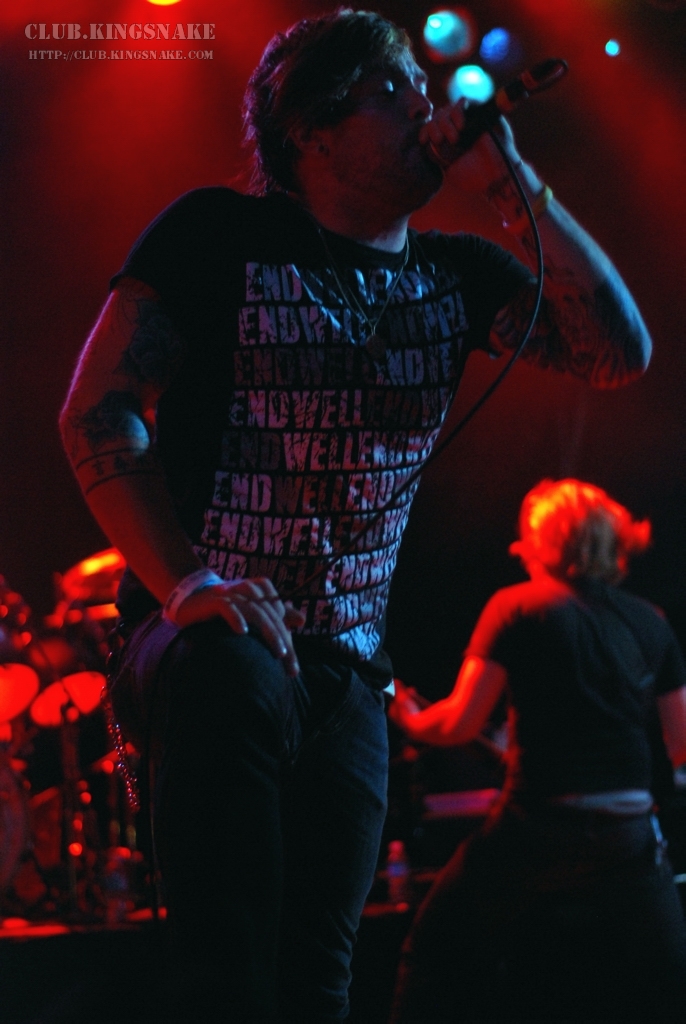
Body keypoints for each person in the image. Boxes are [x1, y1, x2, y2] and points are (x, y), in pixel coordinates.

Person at [59, 8, 652, 1022]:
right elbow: (97, 409)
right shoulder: (219, 234)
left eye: (422, 82)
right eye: (390, 89)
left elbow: (617, 352)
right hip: (206, 648)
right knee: (229, 974)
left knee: (319, 986)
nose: (426, 104)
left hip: (345, 674)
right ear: (313, 132)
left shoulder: (455, 275)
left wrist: (514, 184)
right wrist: (189, 584)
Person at [389, 479, 686, 1023]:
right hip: (627, 838)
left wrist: (408, 717)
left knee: (433, 953)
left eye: (525, 537)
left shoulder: (515, 607)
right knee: (669, 984)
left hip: (535, 828)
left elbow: (457, 723)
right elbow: (682, 743)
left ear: (547, 543)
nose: (516, 548)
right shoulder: (652, 621)